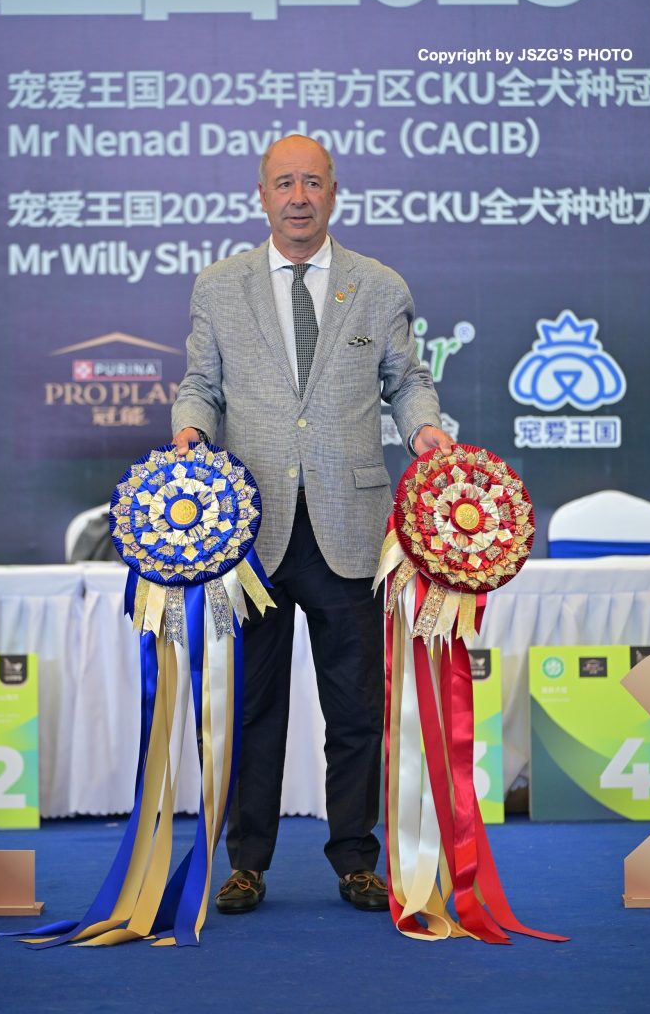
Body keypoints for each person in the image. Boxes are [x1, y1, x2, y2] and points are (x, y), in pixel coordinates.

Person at [172, 135, 453, 914]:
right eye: (283, 183)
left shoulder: (377, 285)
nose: (298, 197)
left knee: (356, 709)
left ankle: (355, 860)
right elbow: (200, 385)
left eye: (312, 183)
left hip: (349, 527)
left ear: (334, 191)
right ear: (261, 194)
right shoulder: (218, 286)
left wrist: (425, 429)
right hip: (249, 533)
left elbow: (407, 380)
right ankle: (246, 863)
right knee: (252, 709)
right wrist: (190, 431)